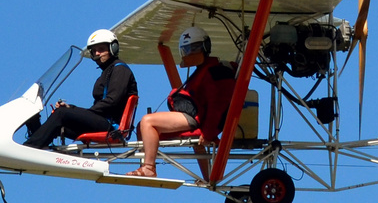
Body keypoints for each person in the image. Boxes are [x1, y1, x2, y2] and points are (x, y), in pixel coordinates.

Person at [132, 27, 238, 178]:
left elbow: (218, 105)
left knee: (148, 121)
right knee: (142, 127)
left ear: (205, 48)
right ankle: (143, 167)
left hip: (196, 120)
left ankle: (149, 168)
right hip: (192, 117)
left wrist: (209, 133)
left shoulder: (214, 72)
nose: (190, 53)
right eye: (187, 49)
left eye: (195, 48)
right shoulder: (202, 70)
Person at [25, 29, 137, 148]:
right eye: (94, 51)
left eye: (101, 49)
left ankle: (28, 148)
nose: (97, 53)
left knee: (62, 113)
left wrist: (74, 110)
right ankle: (35, 140)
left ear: (113, 48)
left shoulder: (120, 70)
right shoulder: (108, 71)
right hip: (102, 121)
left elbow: (112, 101)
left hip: (111, 126)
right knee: (58, 122)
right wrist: (73, 110)